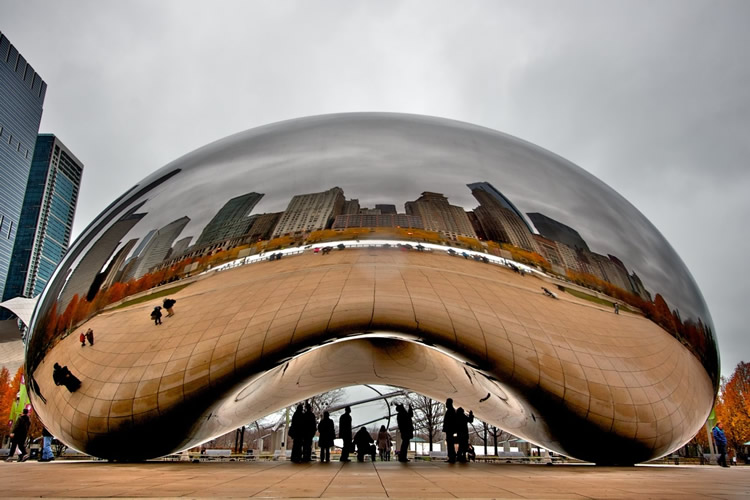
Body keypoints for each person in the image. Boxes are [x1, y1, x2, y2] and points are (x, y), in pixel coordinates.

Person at [443, 398, 457, 463]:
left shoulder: (450, 411)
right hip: (450, 430)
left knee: (450, 444)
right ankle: (451, 457)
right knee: (450, 444)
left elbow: (449, 421)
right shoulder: (452, 410)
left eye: (446, 403)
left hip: (449, 430)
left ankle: (451, 457)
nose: (446, 404)